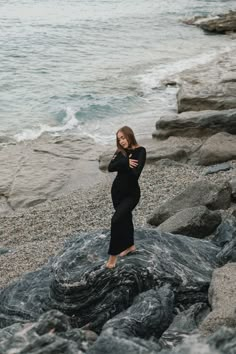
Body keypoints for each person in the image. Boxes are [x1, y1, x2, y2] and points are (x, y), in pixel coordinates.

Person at [106, 126, 146, 268]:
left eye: (123, 137)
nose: (121, 141)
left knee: (116, 220)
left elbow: (136, 173)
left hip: (131, 194)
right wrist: (126, 162)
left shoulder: (141, 151)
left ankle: (112, 258)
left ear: (130, 135)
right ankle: (130, 246)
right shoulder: (120, 151)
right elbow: (110, 167)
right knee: (125, 218)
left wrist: (123, 163)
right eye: (119, 139)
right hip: (117, 193)